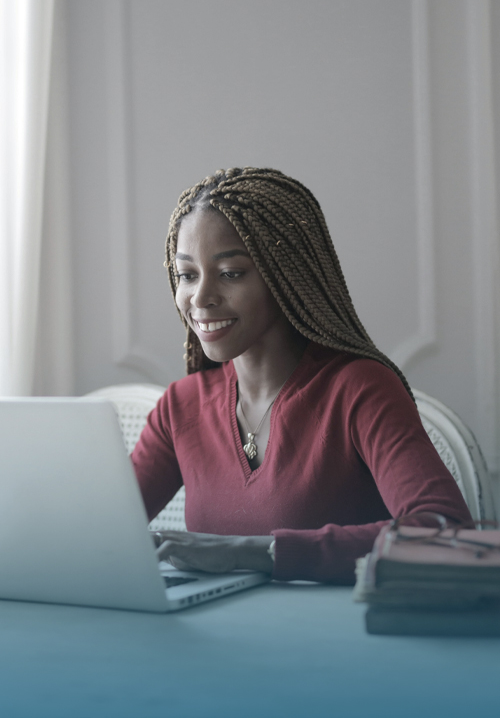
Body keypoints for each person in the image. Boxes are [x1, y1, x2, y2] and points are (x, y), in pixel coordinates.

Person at [131, 167, 471, 583]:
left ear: (285, 274)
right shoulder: (180, 406)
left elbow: (444, 531)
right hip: (215, 638)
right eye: (187, 275)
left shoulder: (359, 388)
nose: (200, 298)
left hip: (337, 639)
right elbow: (99, 530)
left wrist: (254, 553)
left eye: (231, 273)